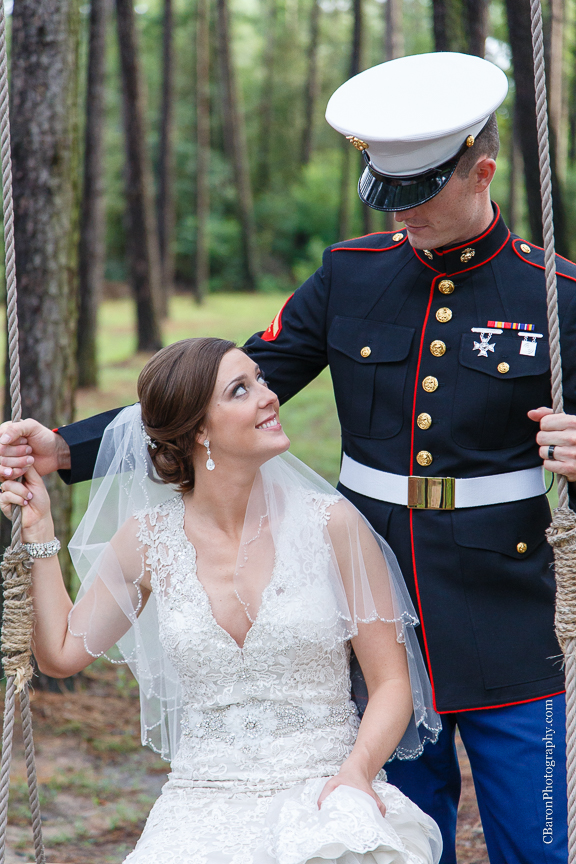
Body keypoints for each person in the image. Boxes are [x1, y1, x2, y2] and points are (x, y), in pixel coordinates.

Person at [0, 51, 575, 863]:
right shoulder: (352, 275)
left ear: (481, 172)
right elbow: (219, 385)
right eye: (390, 195)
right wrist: (67, 449)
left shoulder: (556, 294)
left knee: (541, 845)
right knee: (404, 836)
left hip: (507, 613)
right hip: (362, 592)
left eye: (423, 197)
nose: (401, 218)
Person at [0, 338, 443, 864]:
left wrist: (355, 774)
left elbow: (392, 683)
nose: (269, 396)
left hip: (325, 791)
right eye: (241, 389)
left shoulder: (331, 524)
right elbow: (60, 653)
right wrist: (40, 533)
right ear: (199, 431)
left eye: (261, 379)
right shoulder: (148, 541)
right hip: (200, 802)